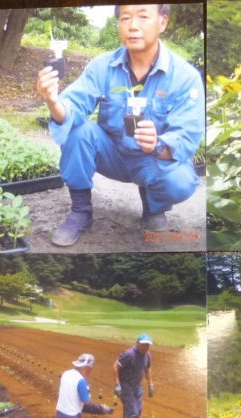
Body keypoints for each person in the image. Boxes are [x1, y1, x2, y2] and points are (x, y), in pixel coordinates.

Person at [36, 4, 205, 246]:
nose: (133, 25)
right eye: (125, 18)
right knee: (78, 130)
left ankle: (153, 208)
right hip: (112, 154)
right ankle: (81, 211)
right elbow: (72, 106)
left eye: (143, 16)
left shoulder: (185, 77)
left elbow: (187, 135)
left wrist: (157, 144)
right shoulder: (101, 66)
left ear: (163, 22)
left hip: (152, 159)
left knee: (180, 181)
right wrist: (52, 100)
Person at [113, 333, 155, 418]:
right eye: (144, 344)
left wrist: (150, 384)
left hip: (137, 385)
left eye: (148, 345)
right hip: (126, 385)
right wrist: (117, 384)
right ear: (137, 343)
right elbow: (116, 366)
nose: (146, 347)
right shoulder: (129, 354)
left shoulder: (147, 354)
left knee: (138, 410)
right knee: (132, 411)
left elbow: (148, 367)